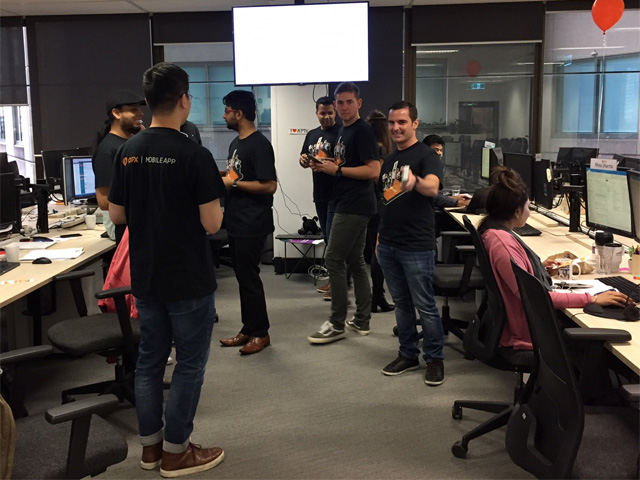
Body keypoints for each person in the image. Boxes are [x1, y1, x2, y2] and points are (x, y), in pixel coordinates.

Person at [108, 62, 226, 477]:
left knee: (149, 362)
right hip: (188, 277)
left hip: (146, 275)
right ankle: (177, 452)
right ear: (184, 101)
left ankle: (151, 450)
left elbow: (117, 215)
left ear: (147, 101)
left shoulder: (126, 151)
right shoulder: (195, 155)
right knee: (189, 364)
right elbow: (212, 224)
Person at [478, 166, 627, 351]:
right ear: (517, 212)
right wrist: (592, 298)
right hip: (531, 333)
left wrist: (536, 267)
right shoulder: (503, 244)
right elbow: (537, 297)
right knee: (609, 343)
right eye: (528, 207)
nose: (529, 212)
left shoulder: (494, 233)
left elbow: (516, 279)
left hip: (527, 322)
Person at [376, 101, 446, 385]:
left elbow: (432, 187)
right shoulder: (390, 160)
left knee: (425, 305)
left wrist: (414, 180)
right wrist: (379, 238)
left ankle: (435, 359)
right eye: (392, 123)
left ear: (415, 124)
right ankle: (407, 354)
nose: (396, 128)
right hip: (388, 244)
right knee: (402, 305)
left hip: (416, 246)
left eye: (402, 122)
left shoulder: (427, 156)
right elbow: (386, 201)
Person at [307, 82, 380, 344]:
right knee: (356, 261)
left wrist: (336, 170)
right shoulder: (343, 132)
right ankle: (361, 320)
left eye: (349, 102)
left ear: (358, 103)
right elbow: (347, 163)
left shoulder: (362, 131)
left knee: (333, 259)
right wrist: (327, 164)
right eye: (340, 102)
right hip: (344, 201)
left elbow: (373, 170)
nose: (344, 107)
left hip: (354, 204)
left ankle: (336, 323)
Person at [219, 90, 277, 355]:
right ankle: (248, 328)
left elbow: (269, 185)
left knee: (249, 278)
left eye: (227, 111)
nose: (224, 116)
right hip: (236, 220)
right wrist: (226, 176)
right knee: (243, 278)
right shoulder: (236, 143)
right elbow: (239, 175)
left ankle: (261, 333)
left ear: (239, 113)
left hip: (252, 223)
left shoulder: (259, 144)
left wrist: (234, 183)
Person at [298, 96, 340, 295]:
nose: (326, 117)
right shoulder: (312, 135)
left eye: (330, 113)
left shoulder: (341, 133)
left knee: (334, 241)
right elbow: (303, 160)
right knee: (327, 238)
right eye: (323, 113)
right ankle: (335, 281)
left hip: (337, 194)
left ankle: (337, 284)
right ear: (317, 113)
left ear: (335, 112)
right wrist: (304, 161)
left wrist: (329, 163)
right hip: (320, 193)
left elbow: (346, 162)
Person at [92, 90, 145, 244]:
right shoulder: (107, 150)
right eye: (133, 110)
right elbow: (104, 200)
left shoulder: (131, 145)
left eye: (140, 109)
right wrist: (144, 210)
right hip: (128, 232)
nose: (140, 113)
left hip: (141, 228)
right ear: (116, 113)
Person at [364, 110, 394, 313]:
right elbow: (379, 178)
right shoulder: (380, 148)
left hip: (366, 202)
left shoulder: (367, 147)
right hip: (378, 202)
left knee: (368, 249)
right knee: (378, 251)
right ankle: (377, 296)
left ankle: (374, 297)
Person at [423, 134, 470, 209]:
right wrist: (459, 202)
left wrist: (453, 198)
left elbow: (437, 195)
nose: (439, 153)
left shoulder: (434, 167)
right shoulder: (424, 168)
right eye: (436, 150)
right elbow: (433, 198)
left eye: (441, 150)